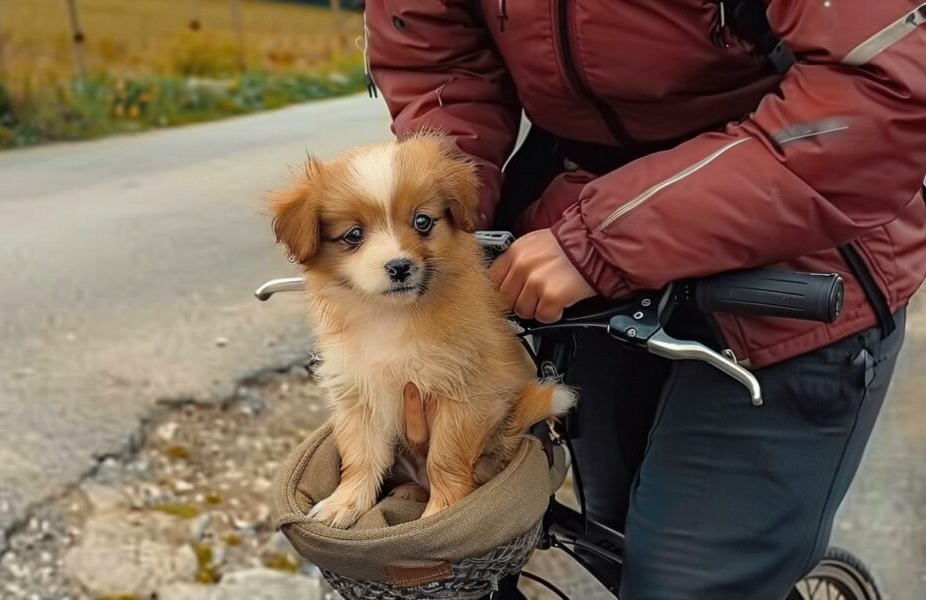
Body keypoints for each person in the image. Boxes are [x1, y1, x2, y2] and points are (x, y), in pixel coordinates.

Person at [369, 1, 926, 597]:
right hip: (579, 248)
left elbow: (883, 92)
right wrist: (440, 224)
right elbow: (441, 61)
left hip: (796, 272)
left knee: (686, 583)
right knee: (613, 542)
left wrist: (599, 242)